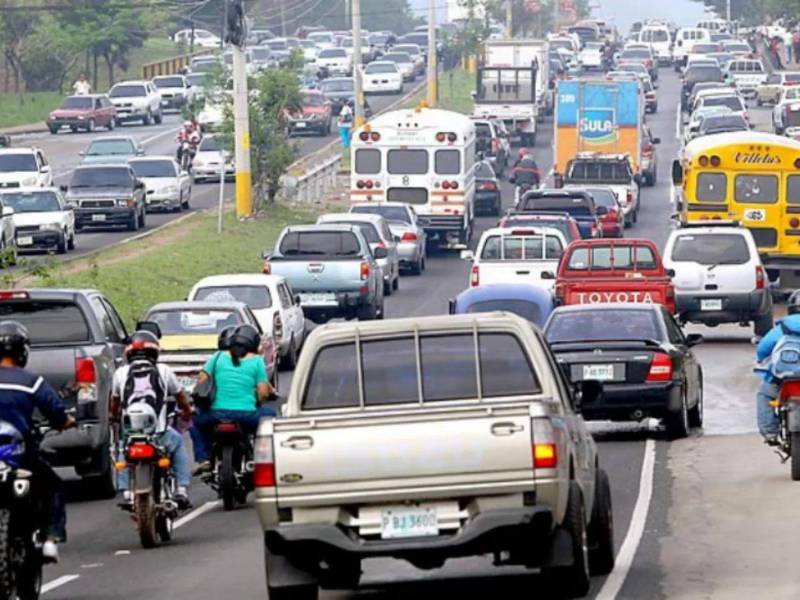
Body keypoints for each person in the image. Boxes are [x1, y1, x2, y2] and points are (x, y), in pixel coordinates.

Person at [0, 321, 75, 562]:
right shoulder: (31, 382)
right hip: (22, 457)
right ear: (23, 352)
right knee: (53, 487)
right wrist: (66, 421)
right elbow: (57, 414)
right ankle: (51, 539)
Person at [110, 331, 193, 508]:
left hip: (131, 434)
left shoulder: (120, 373)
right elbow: (180, 397)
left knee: (123, 449)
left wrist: (114, 418)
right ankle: (181, 489)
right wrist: (187, 412)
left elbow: (115, 403)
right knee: (178, 443)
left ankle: (126, 490)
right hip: (159, 434)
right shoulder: (164, 370)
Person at [190, 324, 276, 473]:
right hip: (246, 414)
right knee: (272, 417)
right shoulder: (257, 361)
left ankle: (204, 458)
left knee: (194, 422)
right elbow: (263, 393)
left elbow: (202, 379)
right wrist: (256, 400)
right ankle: (262, 456)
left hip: (215, 414)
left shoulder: (217, 357)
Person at [755, 296, 800, 445]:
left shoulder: (782, 327)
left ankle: (770, 432)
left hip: (783, 378)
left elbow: (762, 350)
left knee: (764, 394)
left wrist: (761, 359)